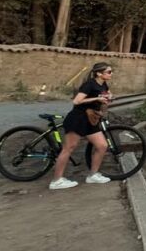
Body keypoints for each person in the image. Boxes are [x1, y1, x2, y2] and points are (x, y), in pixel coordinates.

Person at [48, 62, 114, 190]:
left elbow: (105, 96)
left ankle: (93, 175)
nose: (111, 74)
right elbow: (76, 101)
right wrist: (96, 99)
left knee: (102, 146)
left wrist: (108, 98)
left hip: (91, 119)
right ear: (99, 73)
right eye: (109, 72)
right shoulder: (89, 84)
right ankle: (56, 181)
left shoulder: (104, 84)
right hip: (78, 118)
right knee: (68, 148)